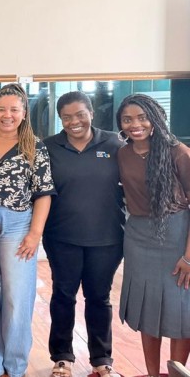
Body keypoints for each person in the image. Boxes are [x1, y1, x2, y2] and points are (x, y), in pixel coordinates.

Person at [0, 83, 55, 377]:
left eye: (14, 109)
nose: (7, 115)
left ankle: (15, 364)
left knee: (18, 296)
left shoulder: (35, 145)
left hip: (18, 224)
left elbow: (43, 192)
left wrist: (35, 234)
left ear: (23, 112)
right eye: (1, 109)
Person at [43, 91, 125, 377]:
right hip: (61, 237)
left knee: (99, 298)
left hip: (107, 238)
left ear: (91, 113)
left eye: (79, 114)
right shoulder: (49, 147)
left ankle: (102, 360)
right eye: (66, 116)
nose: (74, 121)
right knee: (63, 296)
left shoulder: (115, 143)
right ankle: (62, 357)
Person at [116, 94, 190, 377]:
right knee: (147, 309)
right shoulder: (122, 153)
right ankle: (151, 373)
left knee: (180, 312)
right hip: (138, 236)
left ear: (155, 119)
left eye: (142, 117)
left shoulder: (178, 152)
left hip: (176, 236)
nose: (135, 124)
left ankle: (177, 373)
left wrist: (188, 257)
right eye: (127, 119)